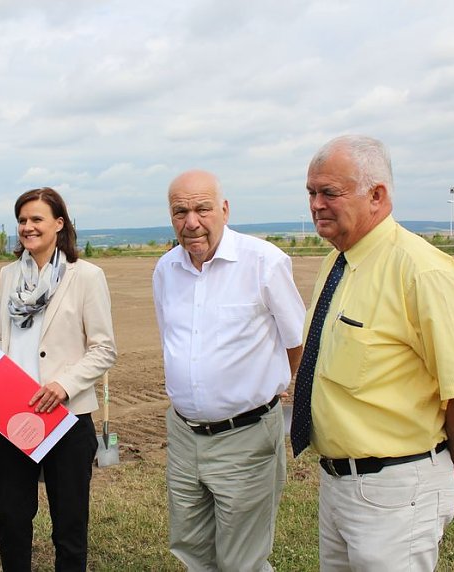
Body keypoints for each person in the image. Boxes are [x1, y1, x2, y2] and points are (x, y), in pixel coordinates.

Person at [293, 135, 454, 570]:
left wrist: (447, 458)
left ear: (377, 195)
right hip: (338, 484)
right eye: (311, 192)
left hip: (394, 492)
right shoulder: (340, 263)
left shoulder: (421, 272)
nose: (316, 205)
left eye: (329, 192)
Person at [153, 170, 306, 571]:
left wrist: (272, 387)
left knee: (243, 560)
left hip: (246, 436)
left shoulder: (264, 262)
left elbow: (296, 341)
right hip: (184, 436)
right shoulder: (166, 270)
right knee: (191, 548)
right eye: (180, 211)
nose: (191, 222)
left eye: (202, 208)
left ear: (224, 209)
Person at [0, 187, 117, 571]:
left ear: (59, 224)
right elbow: (1, 338)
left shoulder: (86, 277)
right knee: (12, 519)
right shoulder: (8, 275)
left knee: (70, 523)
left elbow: (104, 349)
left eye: (36, 219)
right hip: (14, 416)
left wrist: (64, 384)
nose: (27, 227)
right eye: (22, 220)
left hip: (67, 417)